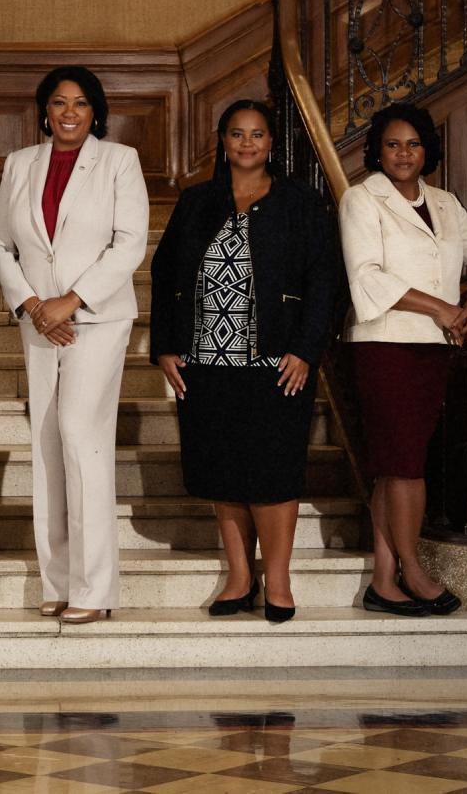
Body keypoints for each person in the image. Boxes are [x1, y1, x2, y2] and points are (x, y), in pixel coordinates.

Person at [150, 100, 336, 624]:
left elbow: (325, 281)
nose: (247, 143)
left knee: (273, 472)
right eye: (237, 134)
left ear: (271, 143)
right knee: (224, 470)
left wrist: (306, 350)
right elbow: (165, 276)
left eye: (257, 134)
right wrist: (165, 344)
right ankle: (238, 575)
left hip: (277, 361)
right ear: (223, 141)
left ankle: (277, 579)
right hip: (205, 359)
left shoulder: (299, 203)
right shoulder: (196, 202)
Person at [340, 102, 467, 617]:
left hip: (435, 347)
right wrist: (443, 306)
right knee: (404, 466)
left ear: (426, 151)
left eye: (413, 144)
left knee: (399, 465)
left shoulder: (443, 202)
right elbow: (367, 274)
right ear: (378, 150)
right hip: (384, 341)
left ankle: (383, 579)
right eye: (392, 144)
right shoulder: (360, 199)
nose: (403, 153)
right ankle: (411, 569)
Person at [0, 65, 149, 624]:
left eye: (80, 104)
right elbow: (2, 245)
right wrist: (35, 305)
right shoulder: (20, 164)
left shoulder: (118, 162)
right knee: (47, 445)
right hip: (39, 320)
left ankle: (94, 588)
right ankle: (57, 582)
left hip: (97, 321)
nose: (69, 113)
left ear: (95, 112)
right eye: (59, 103)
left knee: (82, 439)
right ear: (44, 111)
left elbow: (129, 244)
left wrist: (72, 300)